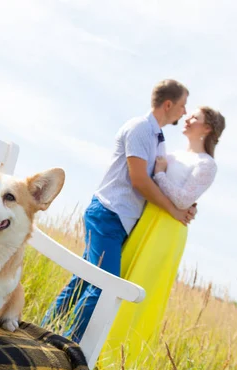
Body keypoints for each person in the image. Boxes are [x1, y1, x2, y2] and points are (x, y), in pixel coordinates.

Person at [41, 79, 196, 342]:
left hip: (120, 221)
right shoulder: (139, 129)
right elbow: (140, 180)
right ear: (168, 104)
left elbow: (162, 181)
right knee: (103, 287)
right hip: (108, 215)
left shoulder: (159, 142)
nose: (184, 112)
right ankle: (66, 345)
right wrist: (174, 210)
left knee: (84, 281)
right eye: (182, 106)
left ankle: (43, 331)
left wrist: (187, 204)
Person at [102, 106, 225, 364]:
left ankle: (118, 360)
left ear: (207, 128)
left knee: (143, 290)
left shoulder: (207, 164)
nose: (188, 118)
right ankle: (97, 343)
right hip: (146, 220)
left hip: (168, 230)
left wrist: (159, 174)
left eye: (196, 118)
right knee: (122, 276)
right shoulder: (171, 153)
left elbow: (182, 200)